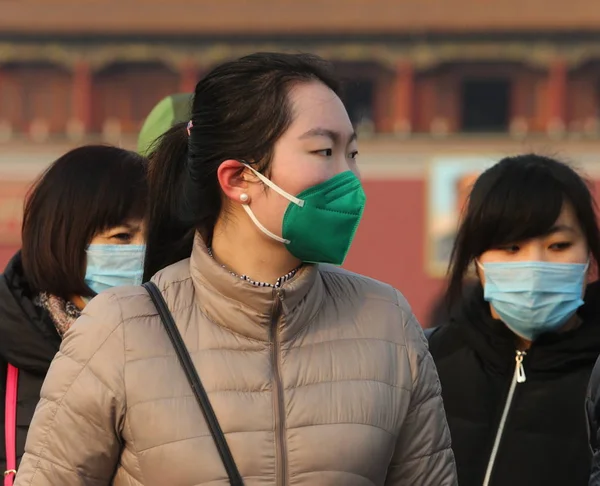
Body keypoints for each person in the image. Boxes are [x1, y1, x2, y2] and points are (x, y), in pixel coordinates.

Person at [15, 52, 456, 486]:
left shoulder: (388, 324)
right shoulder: (119, 331)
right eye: (324, 151)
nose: (349, 178)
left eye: (353, 152)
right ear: (238, 178)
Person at [426, 154, 600, 486]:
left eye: (559, 245)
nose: (535, 264)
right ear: (476, 258)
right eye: (511, 247)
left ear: (589, 253)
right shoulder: (427, 363)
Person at [0, 145, 147, 480]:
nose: (142, 253)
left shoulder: (168, 344)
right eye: (123, 236)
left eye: (151, 239)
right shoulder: (11, 343)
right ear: (64, 236)